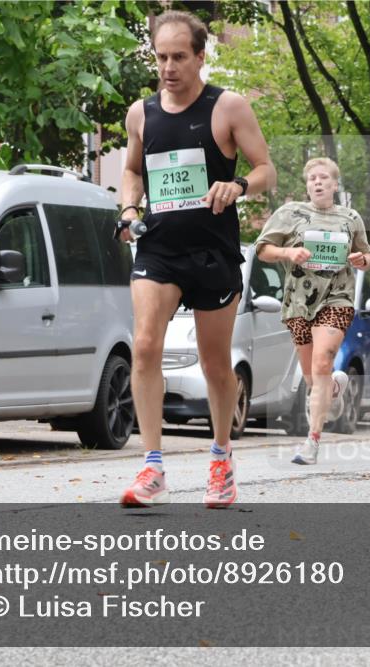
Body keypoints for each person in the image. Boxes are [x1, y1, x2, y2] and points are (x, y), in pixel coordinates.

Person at [118, 10, 276, 508]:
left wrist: (239, 185)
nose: (168, 67)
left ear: (200, 57)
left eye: (179, 57)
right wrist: (128, 207)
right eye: (161, 57)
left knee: (215, 365)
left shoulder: (228, 107)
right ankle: (152, 466)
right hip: (159, 247)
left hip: (214, 251)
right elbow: (130, 169)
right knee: (144, 346)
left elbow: (266, 168)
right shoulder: (141, 113)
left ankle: (221, 458)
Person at [255, 157, 370, 465]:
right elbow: (263, 249)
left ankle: (312, 441)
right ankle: (334, 387)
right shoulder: (290, 213)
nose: (318, 182)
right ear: (307, 185)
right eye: (312, 179)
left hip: (338, 297)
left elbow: (366, 254)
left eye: (324, 178)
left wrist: (362, 260)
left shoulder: (350, 218)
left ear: (335, 185)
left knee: (322, 363)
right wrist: (288, 252)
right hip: (298, 302)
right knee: (312, 377)